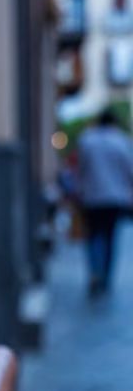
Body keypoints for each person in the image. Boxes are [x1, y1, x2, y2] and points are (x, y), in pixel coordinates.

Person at [76, 107, 133, 296]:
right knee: (110, 238)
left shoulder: (87, 140)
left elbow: (80, 169)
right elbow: (130, 171)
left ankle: (94, 272)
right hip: (115, 198)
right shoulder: (122, 141)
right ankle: (106, 277)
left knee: (93, 236)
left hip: (92, 197)